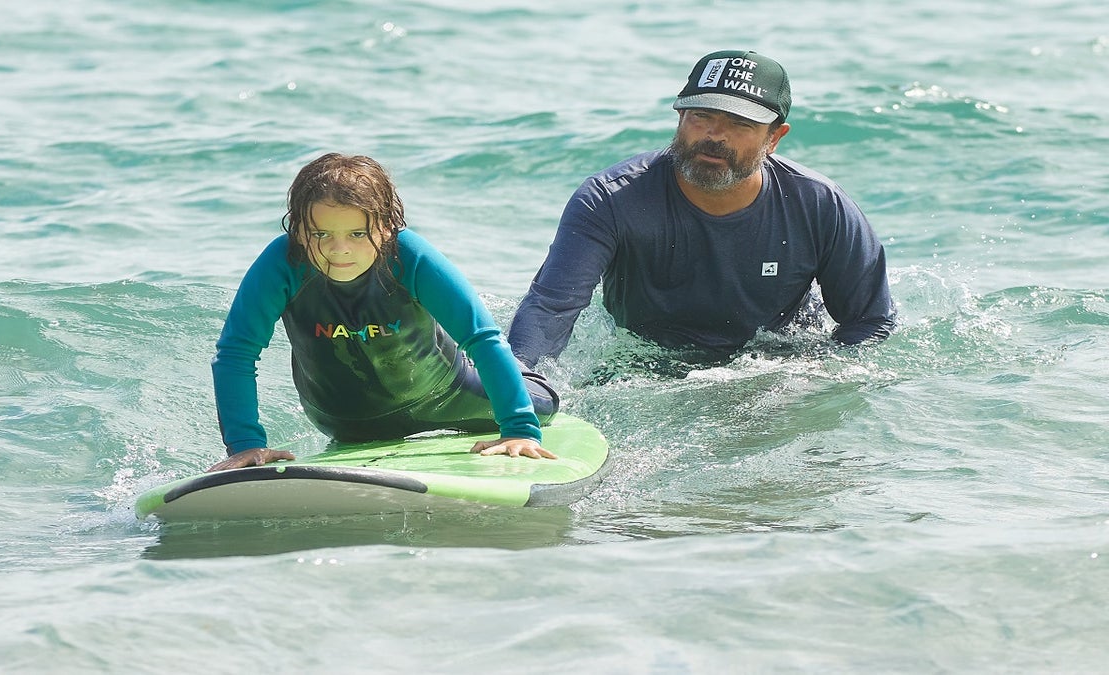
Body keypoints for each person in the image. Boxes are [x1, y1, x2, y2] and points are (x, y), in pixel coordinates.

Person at [508, 49, 896, 370]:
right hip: (647, 363)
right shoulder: (610, 200)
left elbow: (871, 321)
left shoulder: (819, 204)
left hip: (780, 364)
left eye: (739, 123)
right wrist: (517, 388)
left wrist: (811, 380)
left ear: (775, 138)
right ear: (680, 118)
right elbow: (551, 306)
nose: (714, 136)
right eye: (701, 116)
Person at [208, 153, 558, 472]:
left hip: (447, 397)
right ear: (298, 231)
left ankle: (524, 376)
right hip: (345, 420)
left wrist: (518, 429)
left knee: (544, 407)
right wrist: (246, 445)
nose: (339, 249)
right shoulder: (281, 264)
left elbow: (481, 338)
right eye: (321, 234)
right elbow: (236, 353)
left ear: (387, 227)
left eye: (358, 233)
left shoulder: (408, 256)